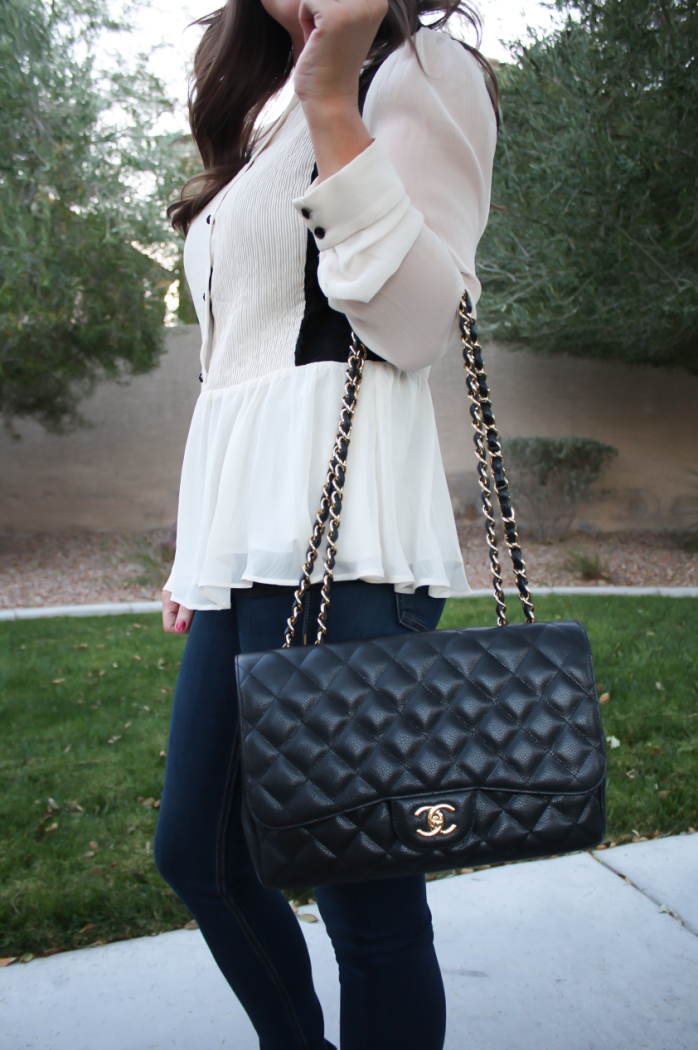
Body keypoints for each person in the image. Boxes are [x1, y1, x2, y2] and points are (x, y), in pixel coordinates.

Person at [154, 0, 498, 1046]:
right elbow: (237, 365)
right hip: (249, 547)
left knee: (364, 901)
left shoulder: (419, 73)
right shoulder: (266, 123)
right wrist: (197, 546)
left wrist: (332, 95)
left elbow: (415, 323)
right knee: (200, 858)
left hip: (348, 548)